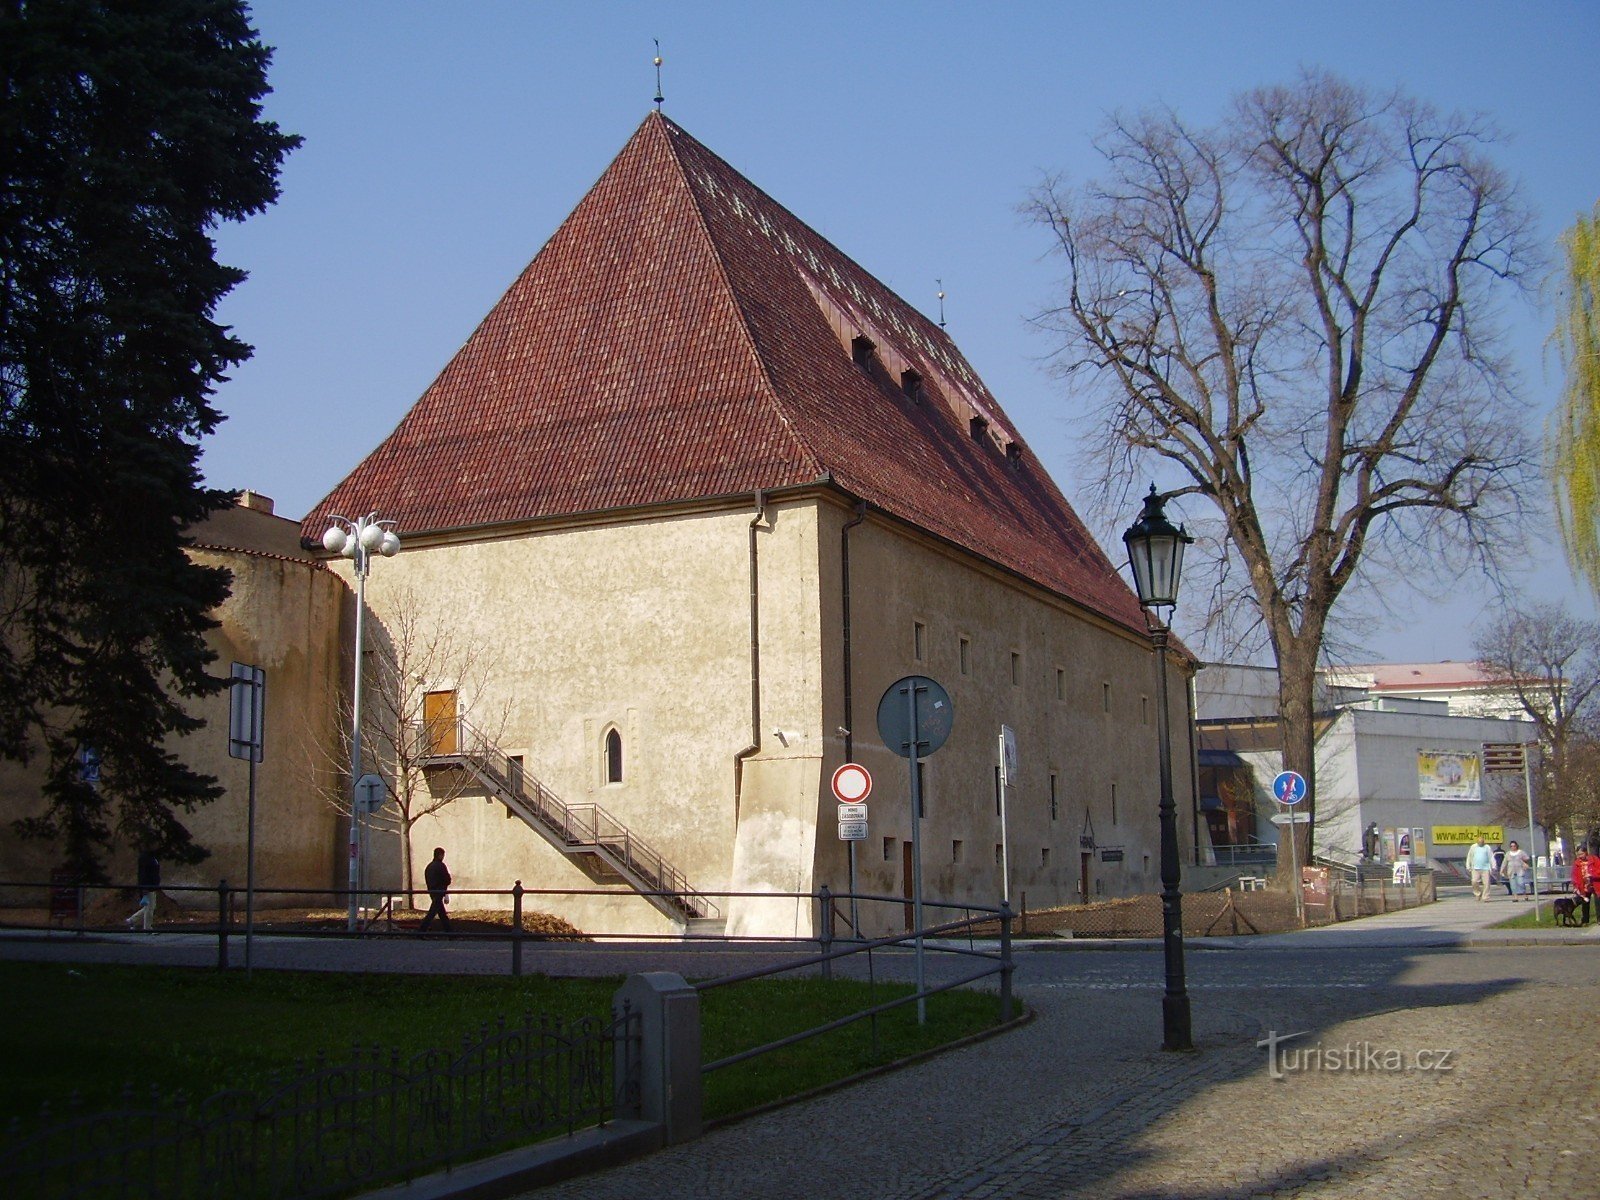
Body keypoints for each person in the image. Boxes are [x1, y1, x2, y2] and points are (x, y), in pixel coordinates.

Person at [125, 849, 160, 931]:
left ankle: (132, 920)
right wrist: (144, 887)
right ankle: (147, 928)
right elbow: (143, 874)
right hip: (148, 886)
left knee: (150, 907)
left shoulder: (152, 857)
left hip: (152, 885)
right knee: (150, 908)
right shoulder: (145, 858)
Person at [418, 846, 451, 932]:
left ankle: (450, 932)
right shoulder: (441, 866)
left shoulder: (429, 867)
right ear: (440, 855)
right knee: (432, 913)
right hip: (439, 891)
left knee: (441, 913)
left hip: (432, 891)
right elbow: (447, 879)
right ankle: (421, 931)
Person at [1464, 836, 1496, 902]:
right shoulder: (1473, 847)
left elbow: (1491, 857)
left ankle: (1485, 897)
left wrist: (1493, 866)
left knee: (1486, 883)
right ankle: (1478, 893)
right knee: (1474, 881)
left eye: (1482, 842)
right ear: (1477, 842)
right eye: (1479, 842)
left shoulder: (1487, 847)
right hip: (1475, 868)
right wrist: (1468, 866)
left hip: (1485, 868)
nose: (1480, 843)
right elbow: (1469, 857)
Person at [1575, 848, 1597, 927]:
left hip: (1595, 883)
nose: (1580, 856)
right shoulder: (1577, 863)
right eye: (1578, 854)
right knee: (1585, 903)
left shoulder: (1594, 859)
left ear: (1586, 852)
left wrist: (1592, 875)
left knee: (1598, 902)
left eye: (1581, 854)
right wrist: (1576, 886)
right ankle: (1585, 920)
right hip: (1584, 885)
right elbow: (1575, 876)